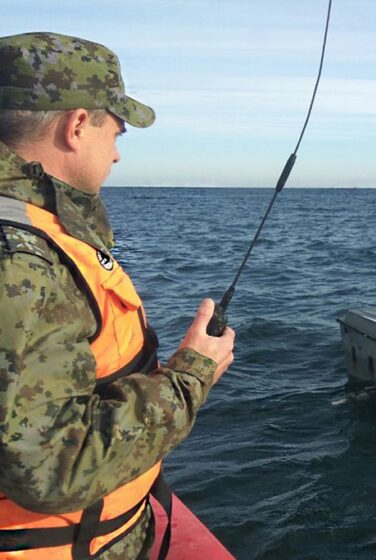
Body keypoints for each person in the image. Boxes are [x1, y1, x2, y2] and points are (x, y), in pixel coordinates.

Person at [0, 32, 235, 559]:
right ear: (77, 124)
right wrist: (192, 374)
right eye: (116, 132)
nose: (119, 154)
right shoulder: (19, 260)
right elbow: (50, 467)